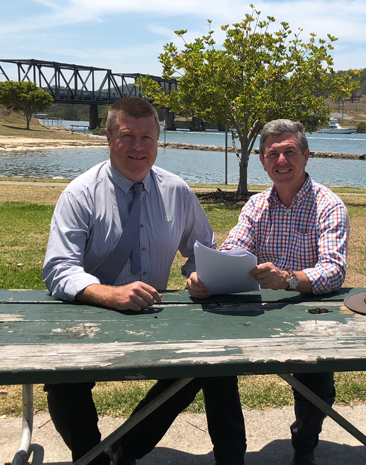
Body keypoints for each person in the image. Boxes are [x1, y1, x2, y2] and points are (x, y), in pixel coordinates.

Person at [42, 97, 225, 465]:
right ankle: (91, 458)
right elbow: (58, 268)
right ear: (108, 136)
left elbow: (204, 252)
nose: (138, 147)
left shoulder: (178, 192)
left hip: (155, 317)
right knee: (63, 381)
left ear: (159, 140)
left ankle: (125, 449)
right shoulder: (80, 194)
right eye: (128, 136)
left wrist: (197, 275)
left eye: (147, 137)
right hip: (89, 315)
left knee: (198, 369)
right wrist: (109, 294)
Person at [187, 119, 350, 465]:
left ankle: (305, 444)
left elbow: (334, 270)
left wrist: (288, 279)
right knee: (216, 368)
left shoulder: (329, 205)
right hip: (255, 316)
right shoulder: (256, 206)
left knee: (317, 390)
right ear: (262, 161)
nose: (281, 161)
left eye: (289, 152)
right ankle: (230, 455)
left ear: (306, 156)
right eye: (272, 154)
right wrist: (205, 276)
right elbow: (233, 250)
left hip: (310, 318)